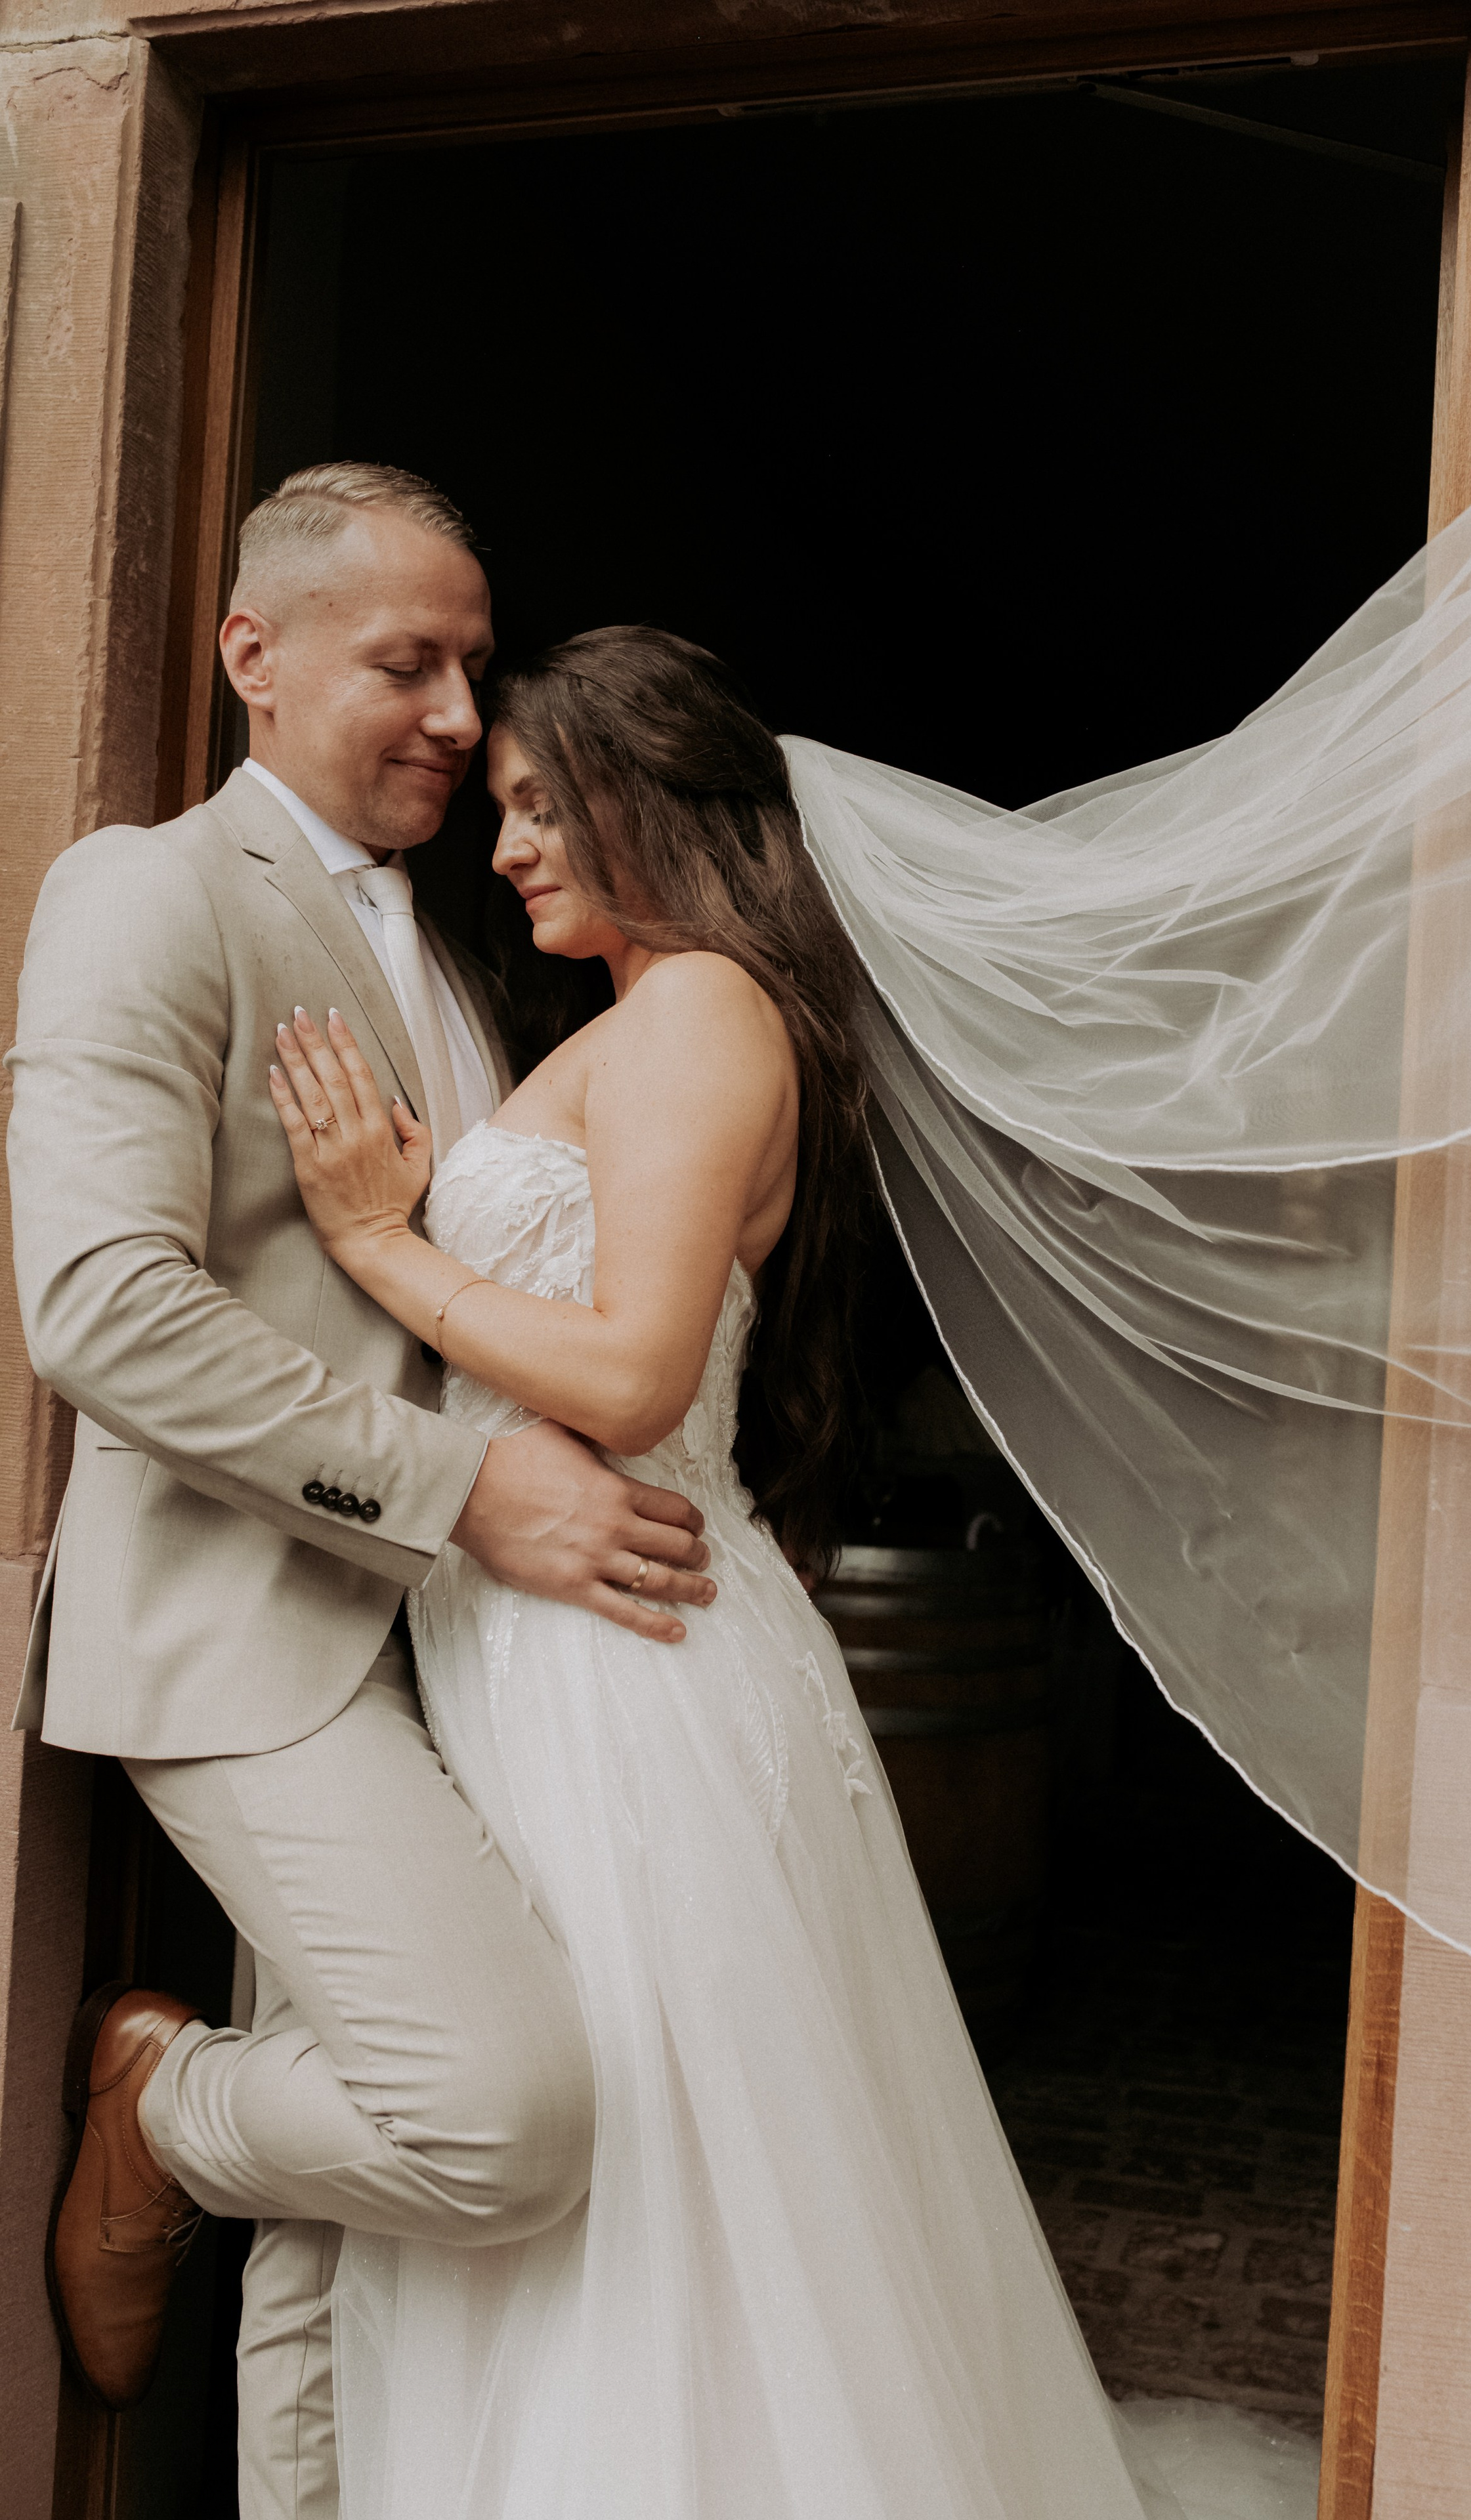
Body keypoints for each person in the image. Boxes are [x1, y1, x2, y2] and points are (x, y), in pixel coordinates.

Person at [264, 624, 1168, 2519]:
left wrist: (378, 1243)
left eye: (538, 805)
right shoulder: (644, 1017)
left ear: (652, 798)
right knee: (641, 2156)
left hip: (622, 1657)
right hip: (571, 1624)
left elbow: (634, 1369)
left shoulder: (698, 1016)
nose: (505, 847)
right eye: (498, 808)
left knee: (652, 2172)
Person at [5, 467, 715, 2520]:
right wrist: (462, 1488)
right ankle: (164, 2111)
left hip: (477, 1660)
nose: (460, 716)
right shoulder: (144, 891)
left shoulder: (468, 953)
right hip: (248, 1639)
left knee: (365, 2214)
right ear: (256, 653)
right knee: (494, 2120)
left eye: (472, 669)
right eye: (408, 661)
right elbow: (100, 1308)